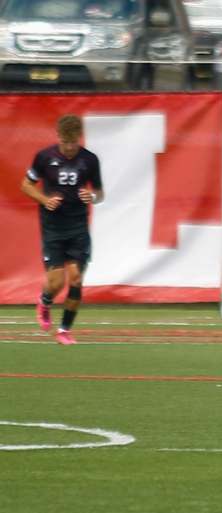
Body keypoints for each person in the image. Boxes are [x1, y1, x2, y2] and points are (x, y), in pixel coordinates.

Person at [21, 114, 104, 345]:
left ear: (80, 138)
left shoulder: (90, 160)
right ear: (58, 137)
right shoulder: (44, 157)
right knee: (56, 283)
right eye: (65, 142)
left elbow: (99, 192)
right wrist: (43, 199)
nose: (69, 148)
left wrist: (93, 197)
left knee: (76, 279)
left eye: (73, 142)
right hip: (53, 228)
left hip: (78, 226)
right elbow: (26, 185)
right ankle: (45, 302)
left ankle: (64, 330)